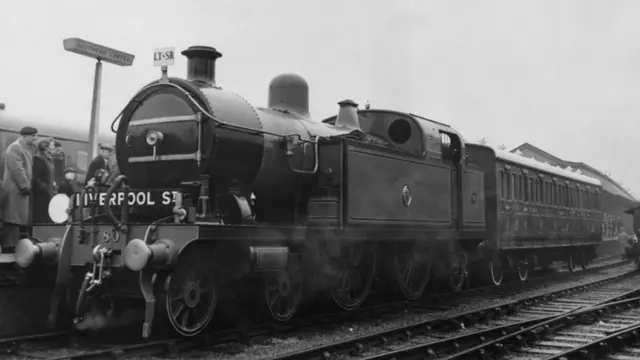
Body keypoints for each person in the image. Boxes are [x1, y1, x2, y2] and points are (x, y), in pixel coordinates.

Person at [1, 126, 37, 254]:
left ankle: (13, 245)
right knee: (12, 219)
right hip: (15, 189)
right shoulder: (16, 147)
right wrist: (24, 185)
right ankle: (9, 246)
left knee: (16, 219)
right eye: (33, 136)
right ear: (25, 136)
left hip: (18, 189)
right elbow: (17, 168)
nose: (35, 138)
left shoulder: (23, 147)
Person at [32, 137, 56, 224]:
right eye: (52, 145)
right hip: (40, 198)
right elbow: (35, 178)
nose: (54, 147)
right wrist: (45, 187)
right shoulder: (38, 159)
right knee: (41, 221)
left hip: (48, 197)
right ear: (45, 147)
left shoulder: (49, 160)